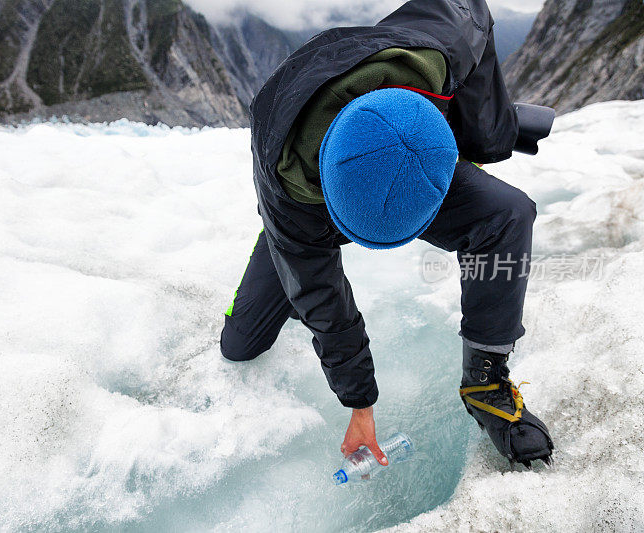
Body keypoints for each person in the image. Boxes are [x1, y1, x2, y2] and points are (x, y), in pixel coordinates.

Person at [219, 0, 554, 468]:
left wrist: (487, 133)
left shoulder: (442, 46)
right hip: (299, 209)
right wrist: (360, 402)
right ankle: (277, 254)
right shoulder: (284, 173)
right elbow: (324, 298)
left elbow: (470, 9)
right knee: (240, 344)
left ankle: (485, 379)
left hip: (410, 142)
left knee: (508, 213)